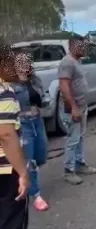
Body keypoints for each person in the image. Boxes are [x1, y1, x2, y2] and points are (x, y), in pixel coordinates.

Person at [11, 52, 49, 211]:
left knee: (41, 156)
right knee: (30, 160)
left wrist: (46, 100)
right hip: (23, 124)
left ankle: (22, 178)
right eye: (21, 62)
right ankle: (36, 195)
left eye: (27, 61)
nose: (25, 64)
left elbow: (44, 96)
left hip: (38, 121)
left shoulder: (35, 79)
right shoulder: (11, 84)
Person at [58, 36, 96, 185]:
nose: (83, 49)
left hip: (81, 107)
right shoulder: (67, 62)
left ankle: (80, 164)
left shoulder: (76, 61)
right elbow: (64, 86)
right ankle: (68, 171)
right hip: (72, 108)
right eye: (80, 46)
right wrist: (74, 107)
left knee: (80, 137)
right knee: (73, 139)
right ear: (72, 46)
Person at [0, 45, 29, 229]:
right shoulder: (4, 92)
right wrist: (23, 173)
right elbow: (5, 134)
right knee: (10, 221)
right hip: (4, 172)